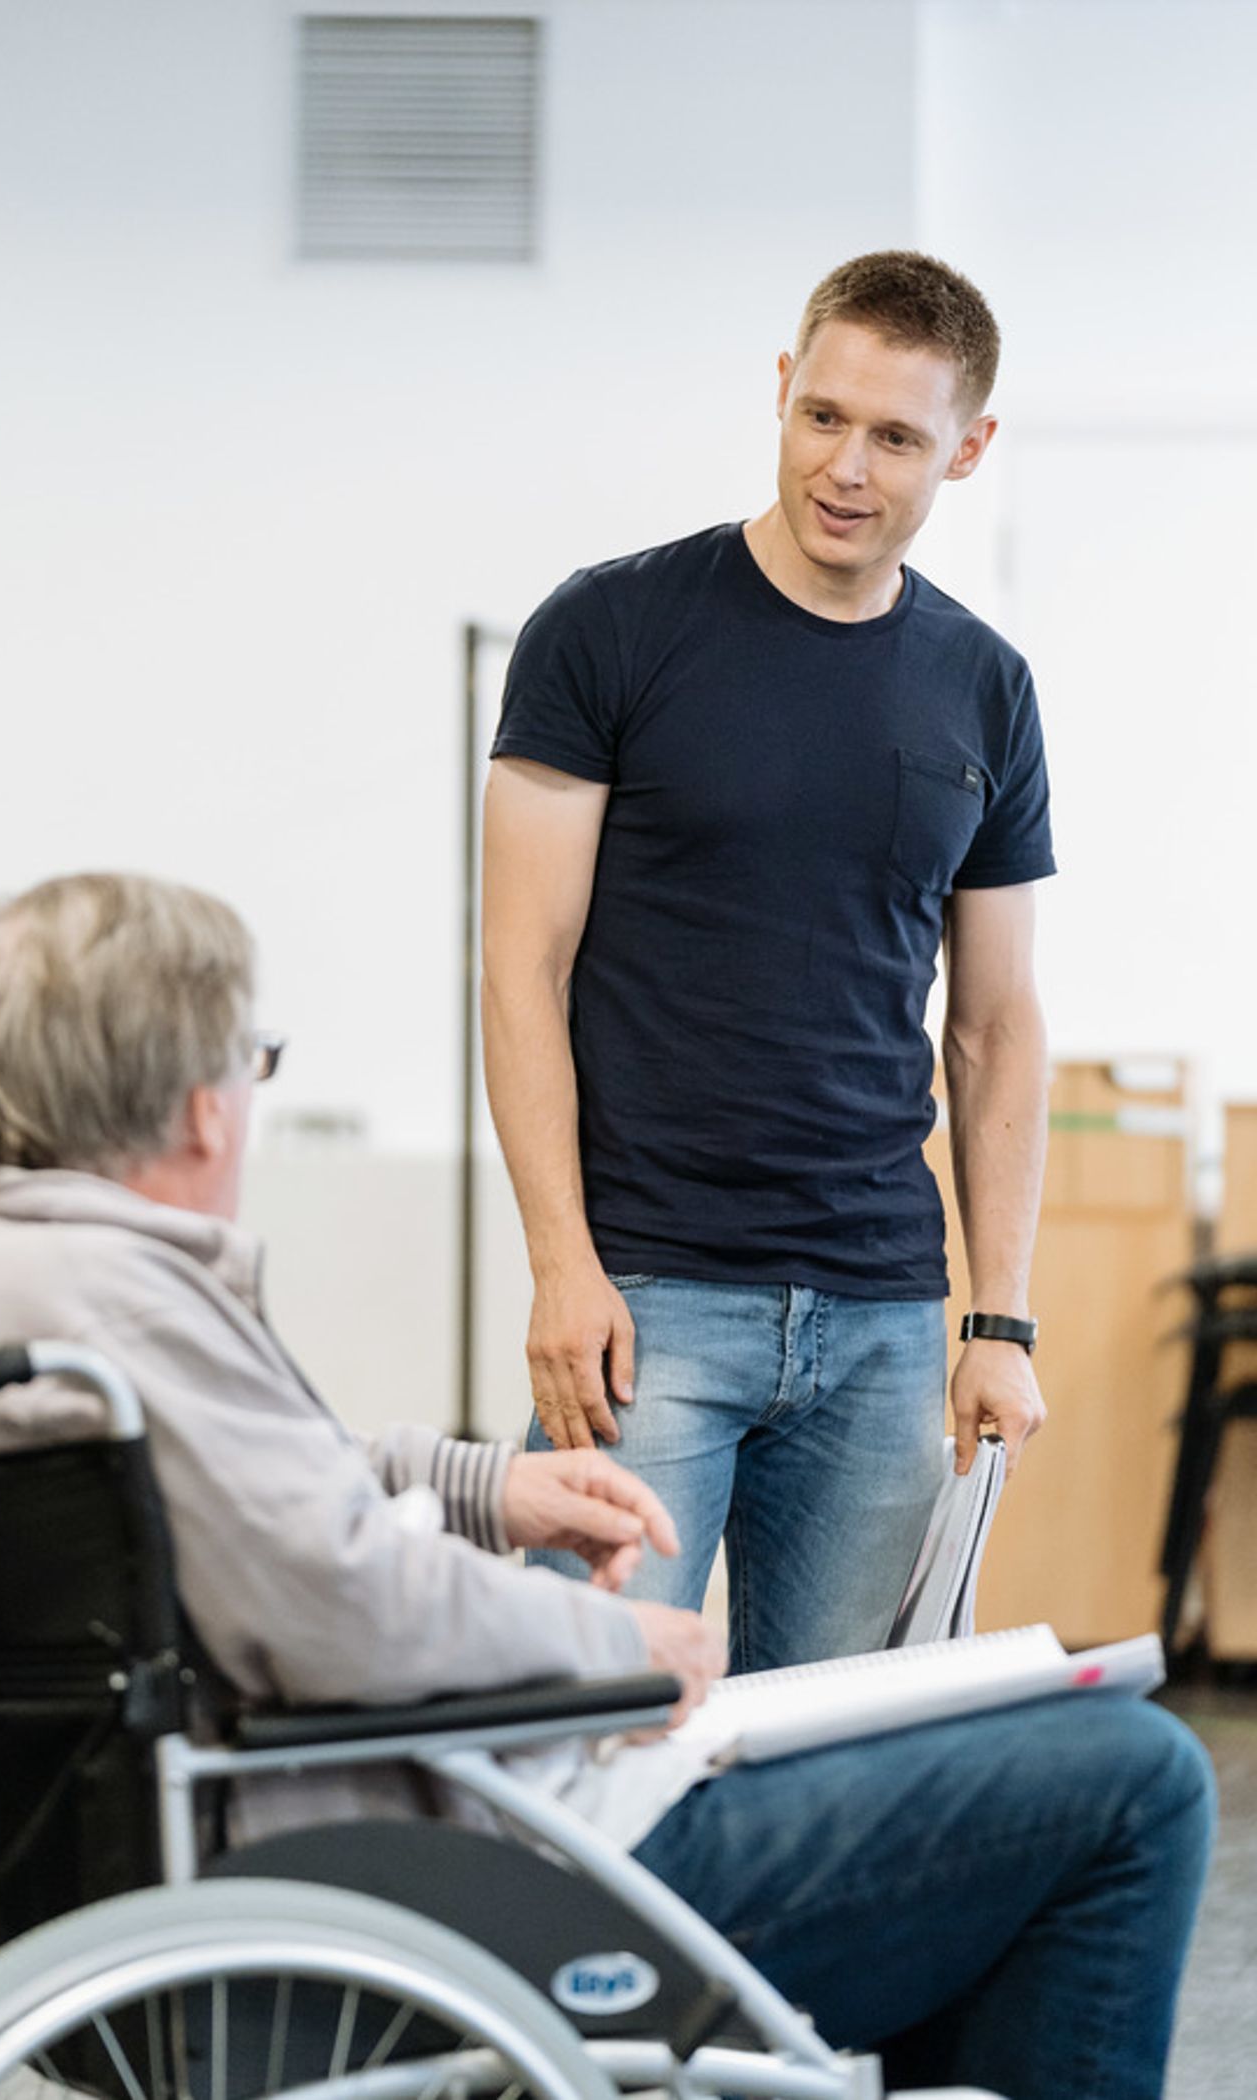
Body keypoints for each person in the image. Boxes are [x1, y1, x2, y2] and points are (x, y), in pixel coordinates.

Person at [0, 872, 1213, 2100]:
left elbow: (251, 1495)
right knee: (1131, 1776)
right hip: (433, 1870)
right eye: (254, 1065)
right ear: (202, 1100)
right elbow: (341, 1600)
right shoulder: (110, 1299)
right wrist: (613, 1642)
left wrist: (488, 1487)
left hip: (258, 1851)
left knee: (974, 1773)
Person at [483, 250, 1053, 1668]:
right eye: (824, 417)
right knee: (585, 1740)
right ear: (783, 389)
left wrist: (1002, 1318)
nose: (847, 468)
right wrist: (563, 1265)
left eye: (898, 437)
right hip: (647, 1306)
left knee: (834, 1772)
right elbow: (519, 969)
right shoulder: (608, 631)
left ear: (967, 449)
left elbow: (995, 1028)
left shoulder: (985, 685)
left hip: (881, 1321)